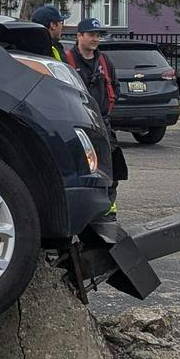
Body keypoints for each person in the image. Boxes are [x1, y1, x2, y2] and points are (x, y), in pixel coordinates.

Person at [66, 16, 127, 217]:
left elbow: (115, 86)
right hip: (78, 122)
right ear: (79, 36)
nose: (95, 39)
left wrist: (110, 104)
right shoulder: (67, 60)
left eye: (97, 35)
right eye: (91, 35)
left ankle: (108, 205)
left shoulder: (104, 61)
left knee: (110, 165)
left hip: (103, 123)